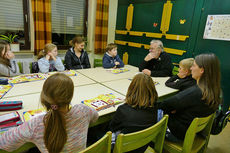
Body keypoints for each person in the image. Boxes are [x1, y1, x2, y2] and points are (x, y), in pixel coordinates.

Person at [0, 73, 99, 153]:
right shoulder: (83, 110)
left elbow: (4, 143)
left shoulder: (36, 125)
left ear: (44, 97)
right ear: (71, 96)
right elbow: (95, 117)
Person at [157, 53, 221, 141]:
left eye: (194, 66)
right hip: (193, 131)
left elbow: (165, 105)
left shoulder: (195, 92)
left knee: (152, 109)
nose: (191, 68)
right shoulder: (215, 90)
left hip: (176, 133)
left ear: (202, 70)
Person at [109, 73, 158, 152]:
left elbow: (112, 128)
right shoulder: (155, 107)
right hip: (142, 146)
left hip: (123, 149)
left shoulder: (123, 110)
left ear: (131, 89)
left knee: (96, 132)